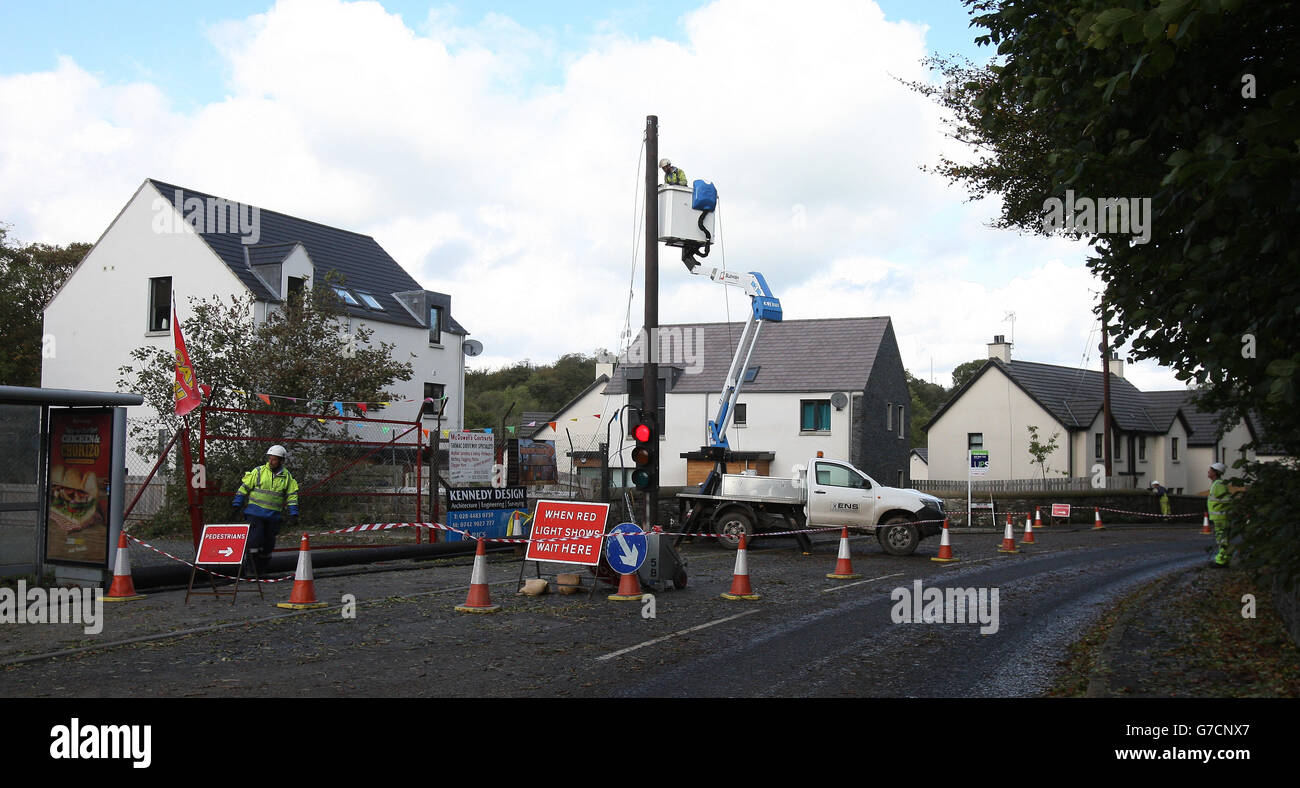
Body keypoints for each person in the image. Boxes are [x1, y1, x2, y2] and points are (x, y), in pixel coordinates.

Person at [231, 445, 299, 574]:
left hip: (273, 516)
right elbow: (244, 487)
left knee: (269, 544)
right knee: (255, 541)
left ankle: (261, 570)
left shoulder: (287, 477)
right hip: (255, 513)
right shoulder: (258, 471)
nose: (271, 462)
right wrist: (237, 503)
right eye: (270, 459)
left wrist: (294, 513)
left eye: (274, 459)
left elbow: (292, 495)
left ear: (281, 461)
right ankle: (251, 569)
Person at [1206, 461, 1229, 567]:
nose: (1208, 472)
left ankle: (1221, 560)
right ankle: (1222, 558)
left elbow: (1226, 500)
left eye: (1210, 470)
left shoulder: (1218, 484)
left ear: (1215, 473)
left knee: (1222, 538)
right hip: (1219, 515)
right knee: (1221, 538)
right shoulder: (1217, 484)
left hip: (1220, 516)